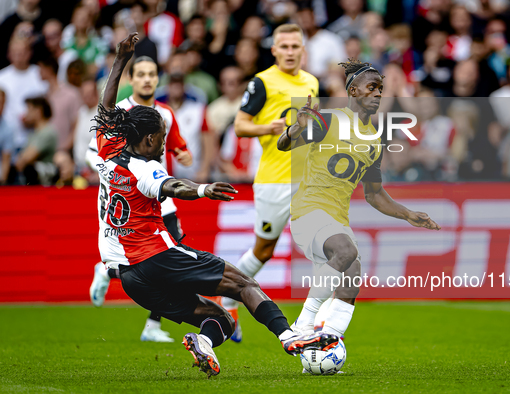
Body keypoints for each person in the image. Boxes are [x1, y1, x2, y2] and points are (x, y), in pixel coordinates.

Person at [90, 33, 338, 377]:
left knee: (218, 317)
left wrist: (120, 61)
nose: (165, 143)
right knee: (244, 285)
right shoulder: (146, 168)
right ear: (148, 139)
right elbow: (171, 185)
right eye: (161, 137)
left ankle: (203, 343)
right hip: (156, 256)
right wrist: (203, 189)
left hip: (129, 277)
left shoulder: (108, 150)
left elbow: (105, 111)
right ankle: (289, 335)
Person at [276, 60, 440, 371]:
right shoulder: (327, 121)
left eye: (381, 89)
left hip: (336, 220)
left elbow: (374, 193)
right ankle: (302, 326)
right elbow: (285, 145)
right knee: (347, 251)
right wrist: (297, 126)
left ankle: (322, 350)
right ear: (353, 91)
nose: (378, 94)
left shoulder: (375, 140)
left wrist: (408, 214)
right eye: (371, 88)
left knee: (351, 278)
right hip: (308, 211)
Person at [222, 24, 320, 342]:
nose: (290, 52)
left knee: (326, 249)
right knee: (263, 251)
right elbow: (239, 126)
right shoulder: (263, 82)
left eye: (295, 46)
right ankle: (227, 297)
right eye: (285, 47)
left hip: (306, 181)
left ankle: (316, 325)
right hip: (273, 182)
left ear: (302, 50)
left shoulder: (312, 83)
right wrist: (269, 127)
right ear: (274, 50)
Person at [88, 55, 193, 343]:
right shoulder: (119, 112)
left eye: (152, 74)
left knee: (169, 262)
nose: (147, 79)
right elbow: (93, 151)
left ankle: (152, 325)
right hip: (130, 198)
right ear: (131, 79)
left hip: (162, 196)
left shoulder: (166, 114)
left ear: (158, 78)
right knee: (147, 264)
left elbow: (174, 147)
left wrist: (183, 154)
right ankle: (108, 271)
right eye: (141, 74)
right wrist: (112, 174)